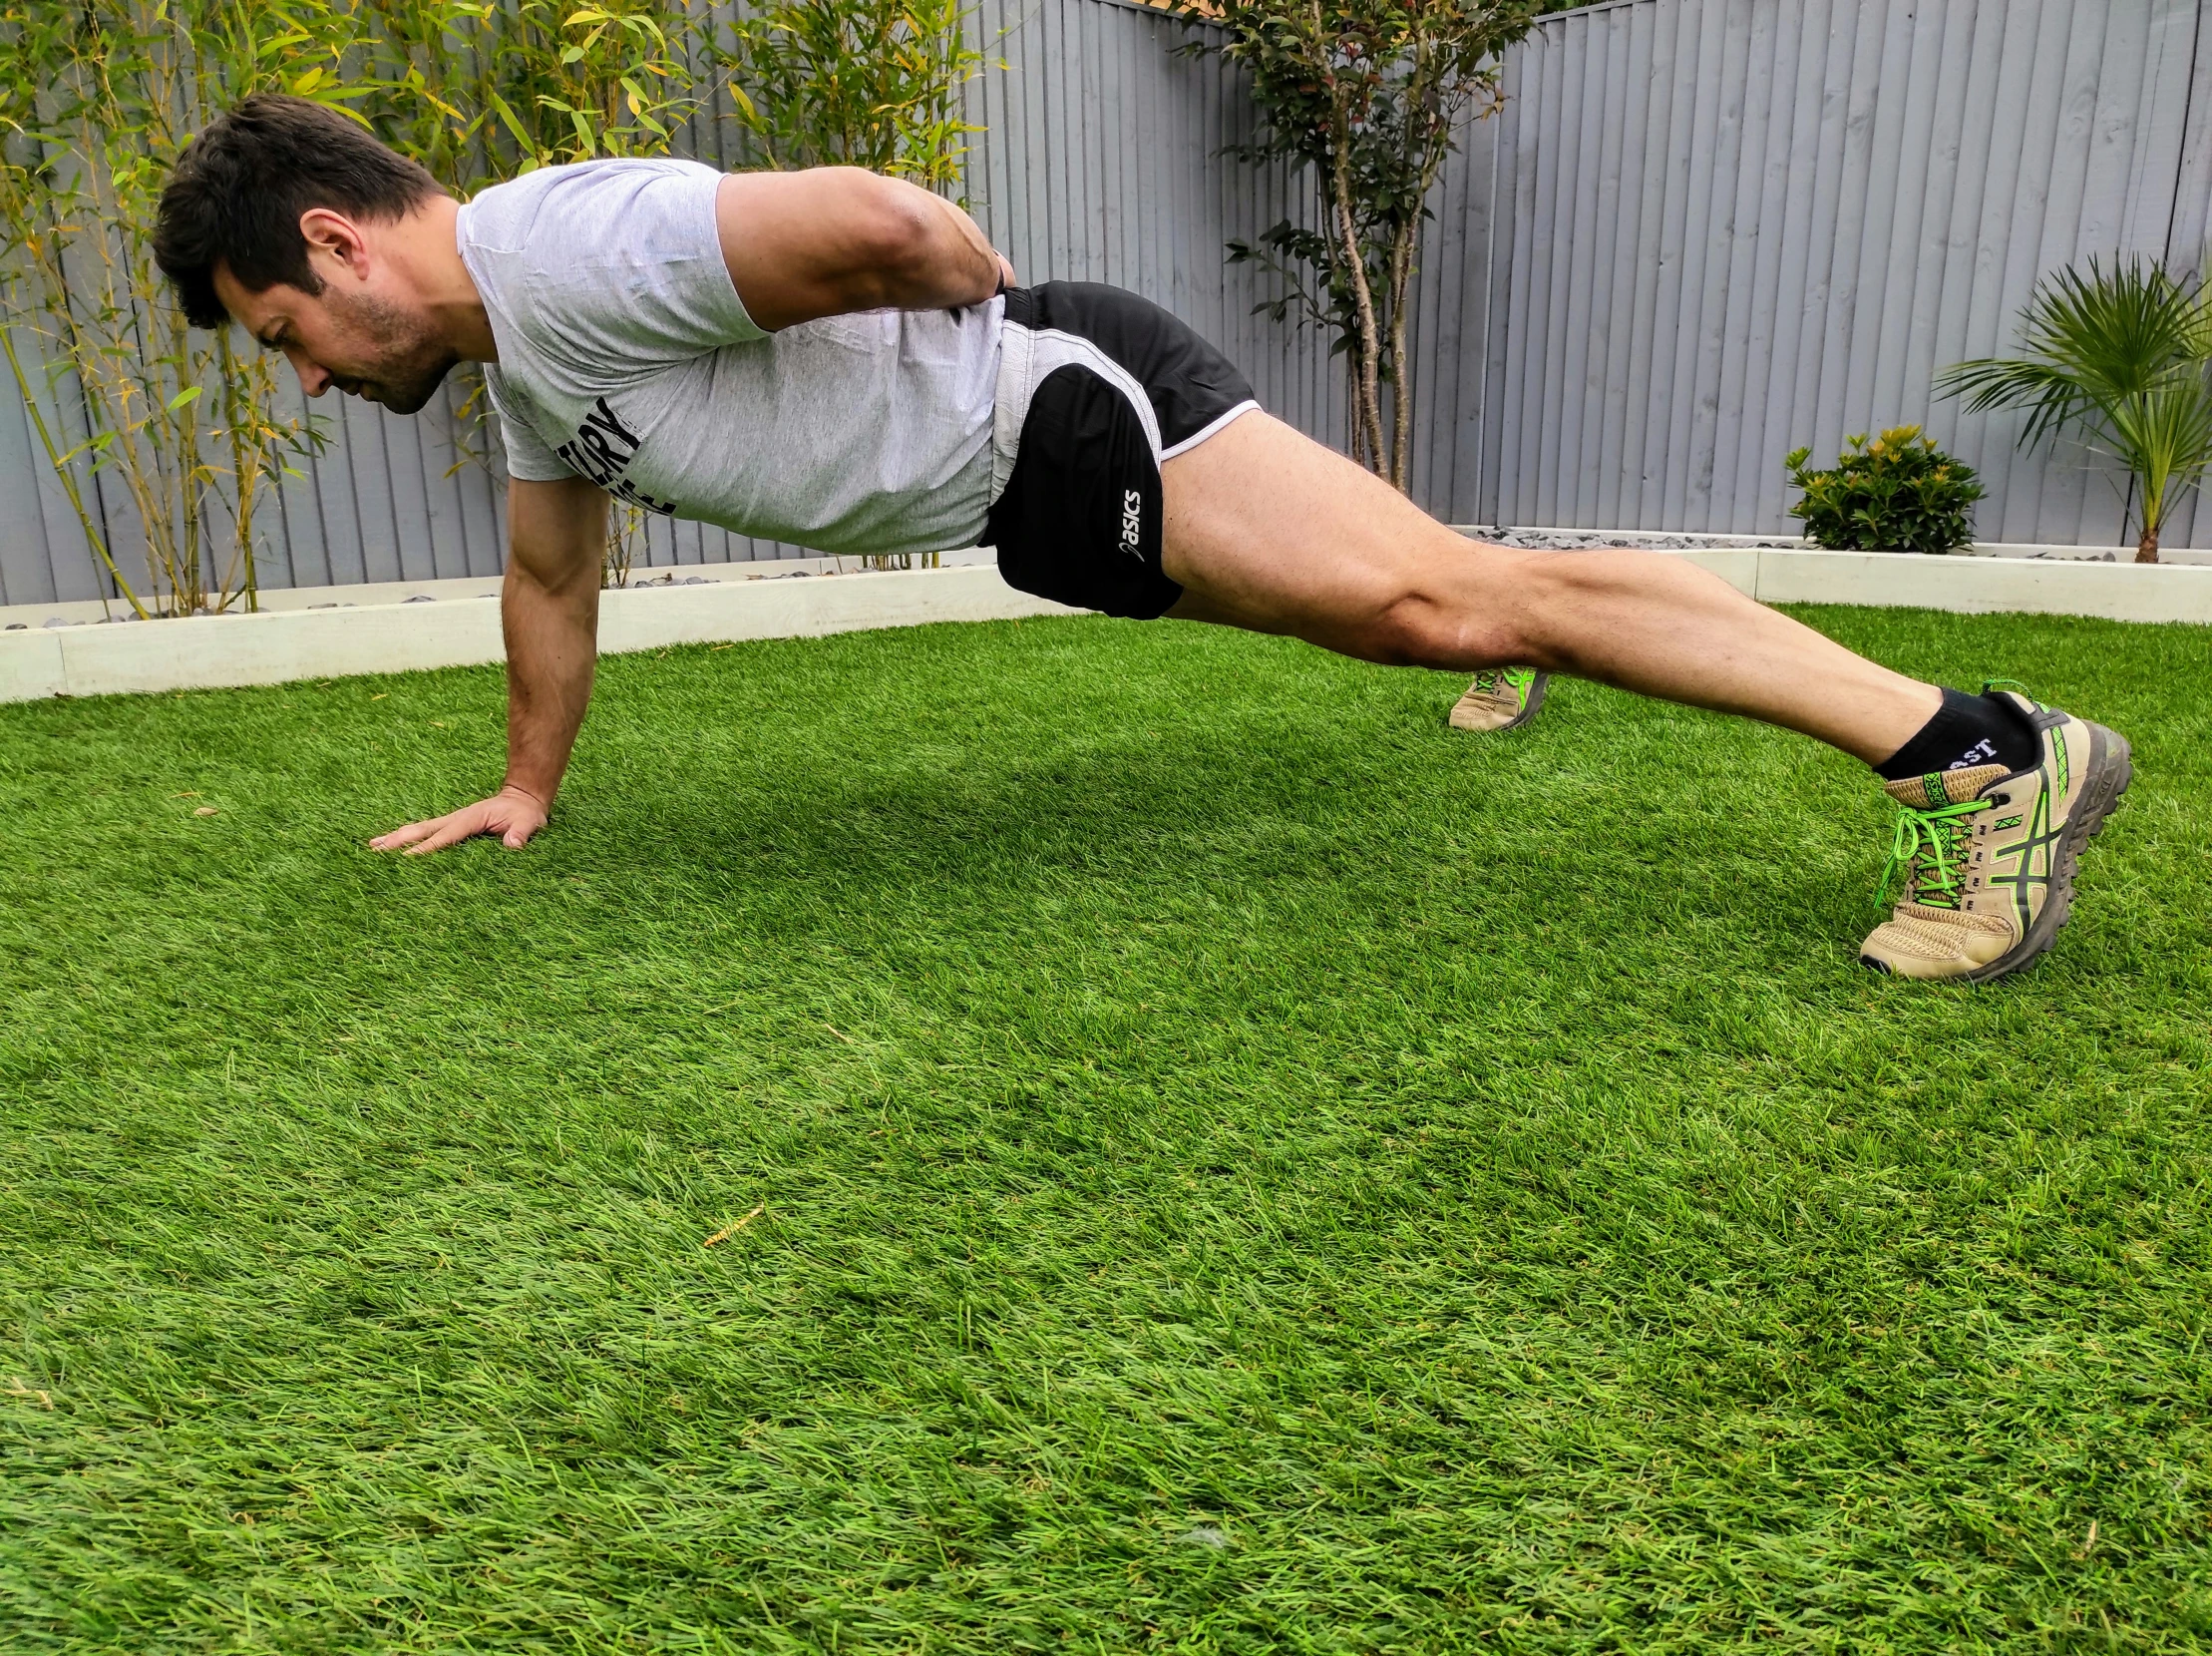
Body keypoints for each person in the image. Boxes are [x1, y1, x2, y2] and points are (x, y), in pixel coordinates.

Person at [153, 96, 2130, 983]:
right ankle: (1502, 626)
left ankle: (1979, 755)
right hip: (1035, 476)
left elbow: (873, 214)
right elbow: (550, 572)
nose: (309, 381)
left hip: (1054, 404)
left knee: (1436, 595)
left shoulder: (557, 250)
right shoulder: (521, 354)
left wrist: (972, 304)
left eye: (286, 337)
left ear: (329, 242)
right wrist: (522, 782)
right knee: (1437, 604)